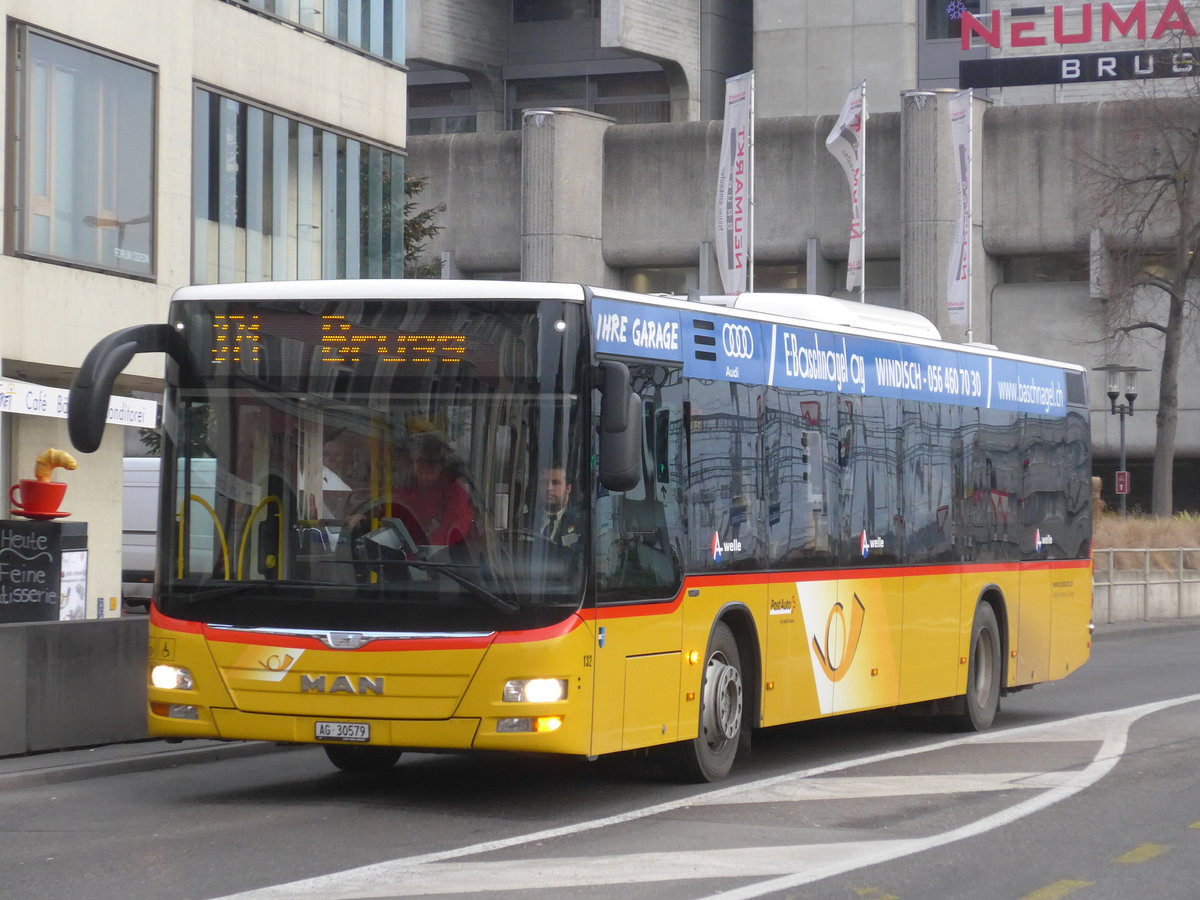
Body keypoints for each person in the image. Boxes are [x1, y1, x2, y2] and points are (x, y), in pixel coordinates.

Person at [390, 434, 474, 547]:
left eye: (430, 464)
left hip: (441, 560)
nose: (423, 470)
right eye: (419, 462)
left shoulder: (456, 496)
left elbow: (446, 539)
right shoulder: (404, 492)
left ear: (441, 465)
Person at [539, 464, 582, 549]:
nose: (549, 488)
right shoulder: (526, 520)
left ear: (568, 488)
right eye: (544, 482)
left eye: (555, 483)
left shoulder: (581, 523)